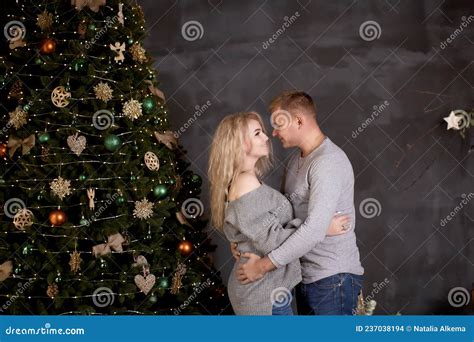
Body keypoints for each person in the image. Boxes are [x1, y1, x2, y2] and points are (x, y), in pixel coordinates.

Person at [208, 111, 350, 315]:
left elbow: (254, 229)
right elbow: (272, 241)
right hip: (261, 293)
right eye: (257, 133)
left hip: (267, 289)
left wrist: (239, 242)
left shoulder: (248, 180)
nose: (266, 137)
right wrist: (322, 228)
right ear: (239, 143)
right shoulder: (245, 183)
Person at [237, 92, 364, 315]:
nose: (273, 133)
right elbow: (282, 217)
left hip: (333, 279)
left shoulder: (327, 163)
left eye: (278, 125)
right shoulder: (297, 159)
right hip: (305, 277)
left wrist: (262, 266)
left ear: (298, 120)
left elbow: (313, 232)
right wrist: (240, 239)